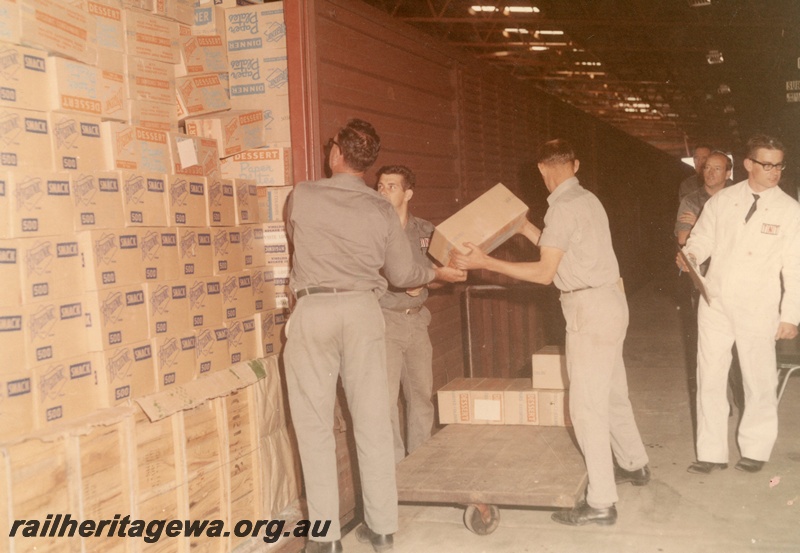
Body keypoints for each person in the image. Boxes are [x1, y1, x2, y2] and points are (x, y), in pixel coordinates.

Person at [283, 119, 465, 553]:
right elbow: (403, 273)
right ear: (367, 166)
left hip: (314, 309)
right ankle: (382, 528)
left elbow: (296, 239)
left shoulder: (302, 195)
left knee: (314, 427)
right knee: (373, 423)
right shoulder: (382, 209)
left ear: (335, 154)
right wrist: (435, 271)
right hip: (364, 313)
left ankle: (325, 540)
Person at [451, 139, 650, 527]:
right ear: (574, 165)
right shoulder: (588, 200)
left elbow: (545, 273)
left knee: (586, 408)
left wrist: (483, 261)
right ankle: (635, 464)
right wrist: (526, 227)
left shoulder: (559, 208)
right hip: (611, 302)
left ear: (542, 169)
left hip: (588, 312)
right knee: (611, 392)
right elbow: (563, 250)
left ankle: (601, 503)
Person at [678, 134, 800, 475]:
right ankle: (711, 452)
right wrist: (691, 254)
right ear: (748, 164)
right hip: (714, 301)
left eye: (779, 165)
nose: (774, 171)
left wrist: (791, 315)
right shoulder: (723, 201)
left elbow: (796, 267)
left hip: (758, 307)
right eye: (767, 164)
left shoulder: (790, 211)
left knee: (758, 379)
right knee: (710, 376)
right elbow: (702, 238)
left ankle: (756, 450)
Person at [375, 165, 438, 463]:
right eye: (381, 186)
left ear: (408, 193)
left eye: (392, 186)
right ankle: (395, 474)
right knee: (385, 403)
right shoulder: (370, 231)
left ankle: (421, 464)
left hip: (417, 321)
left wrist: (425, 280)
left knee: (421, 397)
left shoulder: (425, 231)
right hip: (385, 321)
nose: (384, 191)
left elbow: (443, 269)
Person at [675, 151, 745, 414]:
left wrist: (705, 233)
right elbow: (684, 239)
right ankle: (718, 403)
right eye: (707, 168)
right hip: (704, 282)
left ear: (728, 173)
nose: (711, 173)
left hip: (737, 281)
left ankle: (743, 399)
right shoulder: (691, 200)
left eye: (718, 168)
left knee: (739, 346)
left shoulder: (739, 199)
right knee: (709, 347)